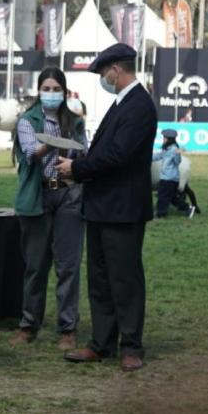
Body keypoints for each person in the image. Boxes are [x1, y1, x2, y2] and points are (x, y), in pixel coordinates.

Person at [56, 43, 157, 372]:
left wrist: (77, 169)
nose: (103, 78)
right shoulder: (122, 104)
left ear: (116, 69)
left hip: (123, 208)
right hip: (101, 205)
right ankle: (102, 342)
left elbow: (119, 155)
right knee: (100, 279)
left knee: (124, 278)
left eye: (103, 72)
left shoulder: (139, 106)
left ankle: (131, 345)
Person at [10, 67, 87, 351]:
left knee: (68, 266)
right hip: (38, 196)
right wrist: (50, 145)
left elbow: (83, 152)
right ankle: (29, 324)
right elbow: (30, 154)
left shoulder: (75, 122)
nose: (51, 94)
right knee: (35, 265)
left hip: (67, 194)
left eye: (57, 90)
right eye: (47, 89)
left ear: (64, 93)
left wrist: (74, 157)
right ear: (39, 90)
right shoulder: (27, 120)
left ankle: (68, 328)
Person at [152, 129, 195, 219]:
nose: (163, 140)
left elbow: (177, 162)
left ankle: (161, 213)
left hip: (170, 178)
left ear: (169, 139)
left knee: (163, 196)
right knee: (172, 198)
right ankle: (188, 208)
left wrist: (178, 154)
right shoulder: (166, 149)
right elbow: (158, 156)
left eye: (165, 138)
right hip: (166, 177)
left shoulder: (174, 150)